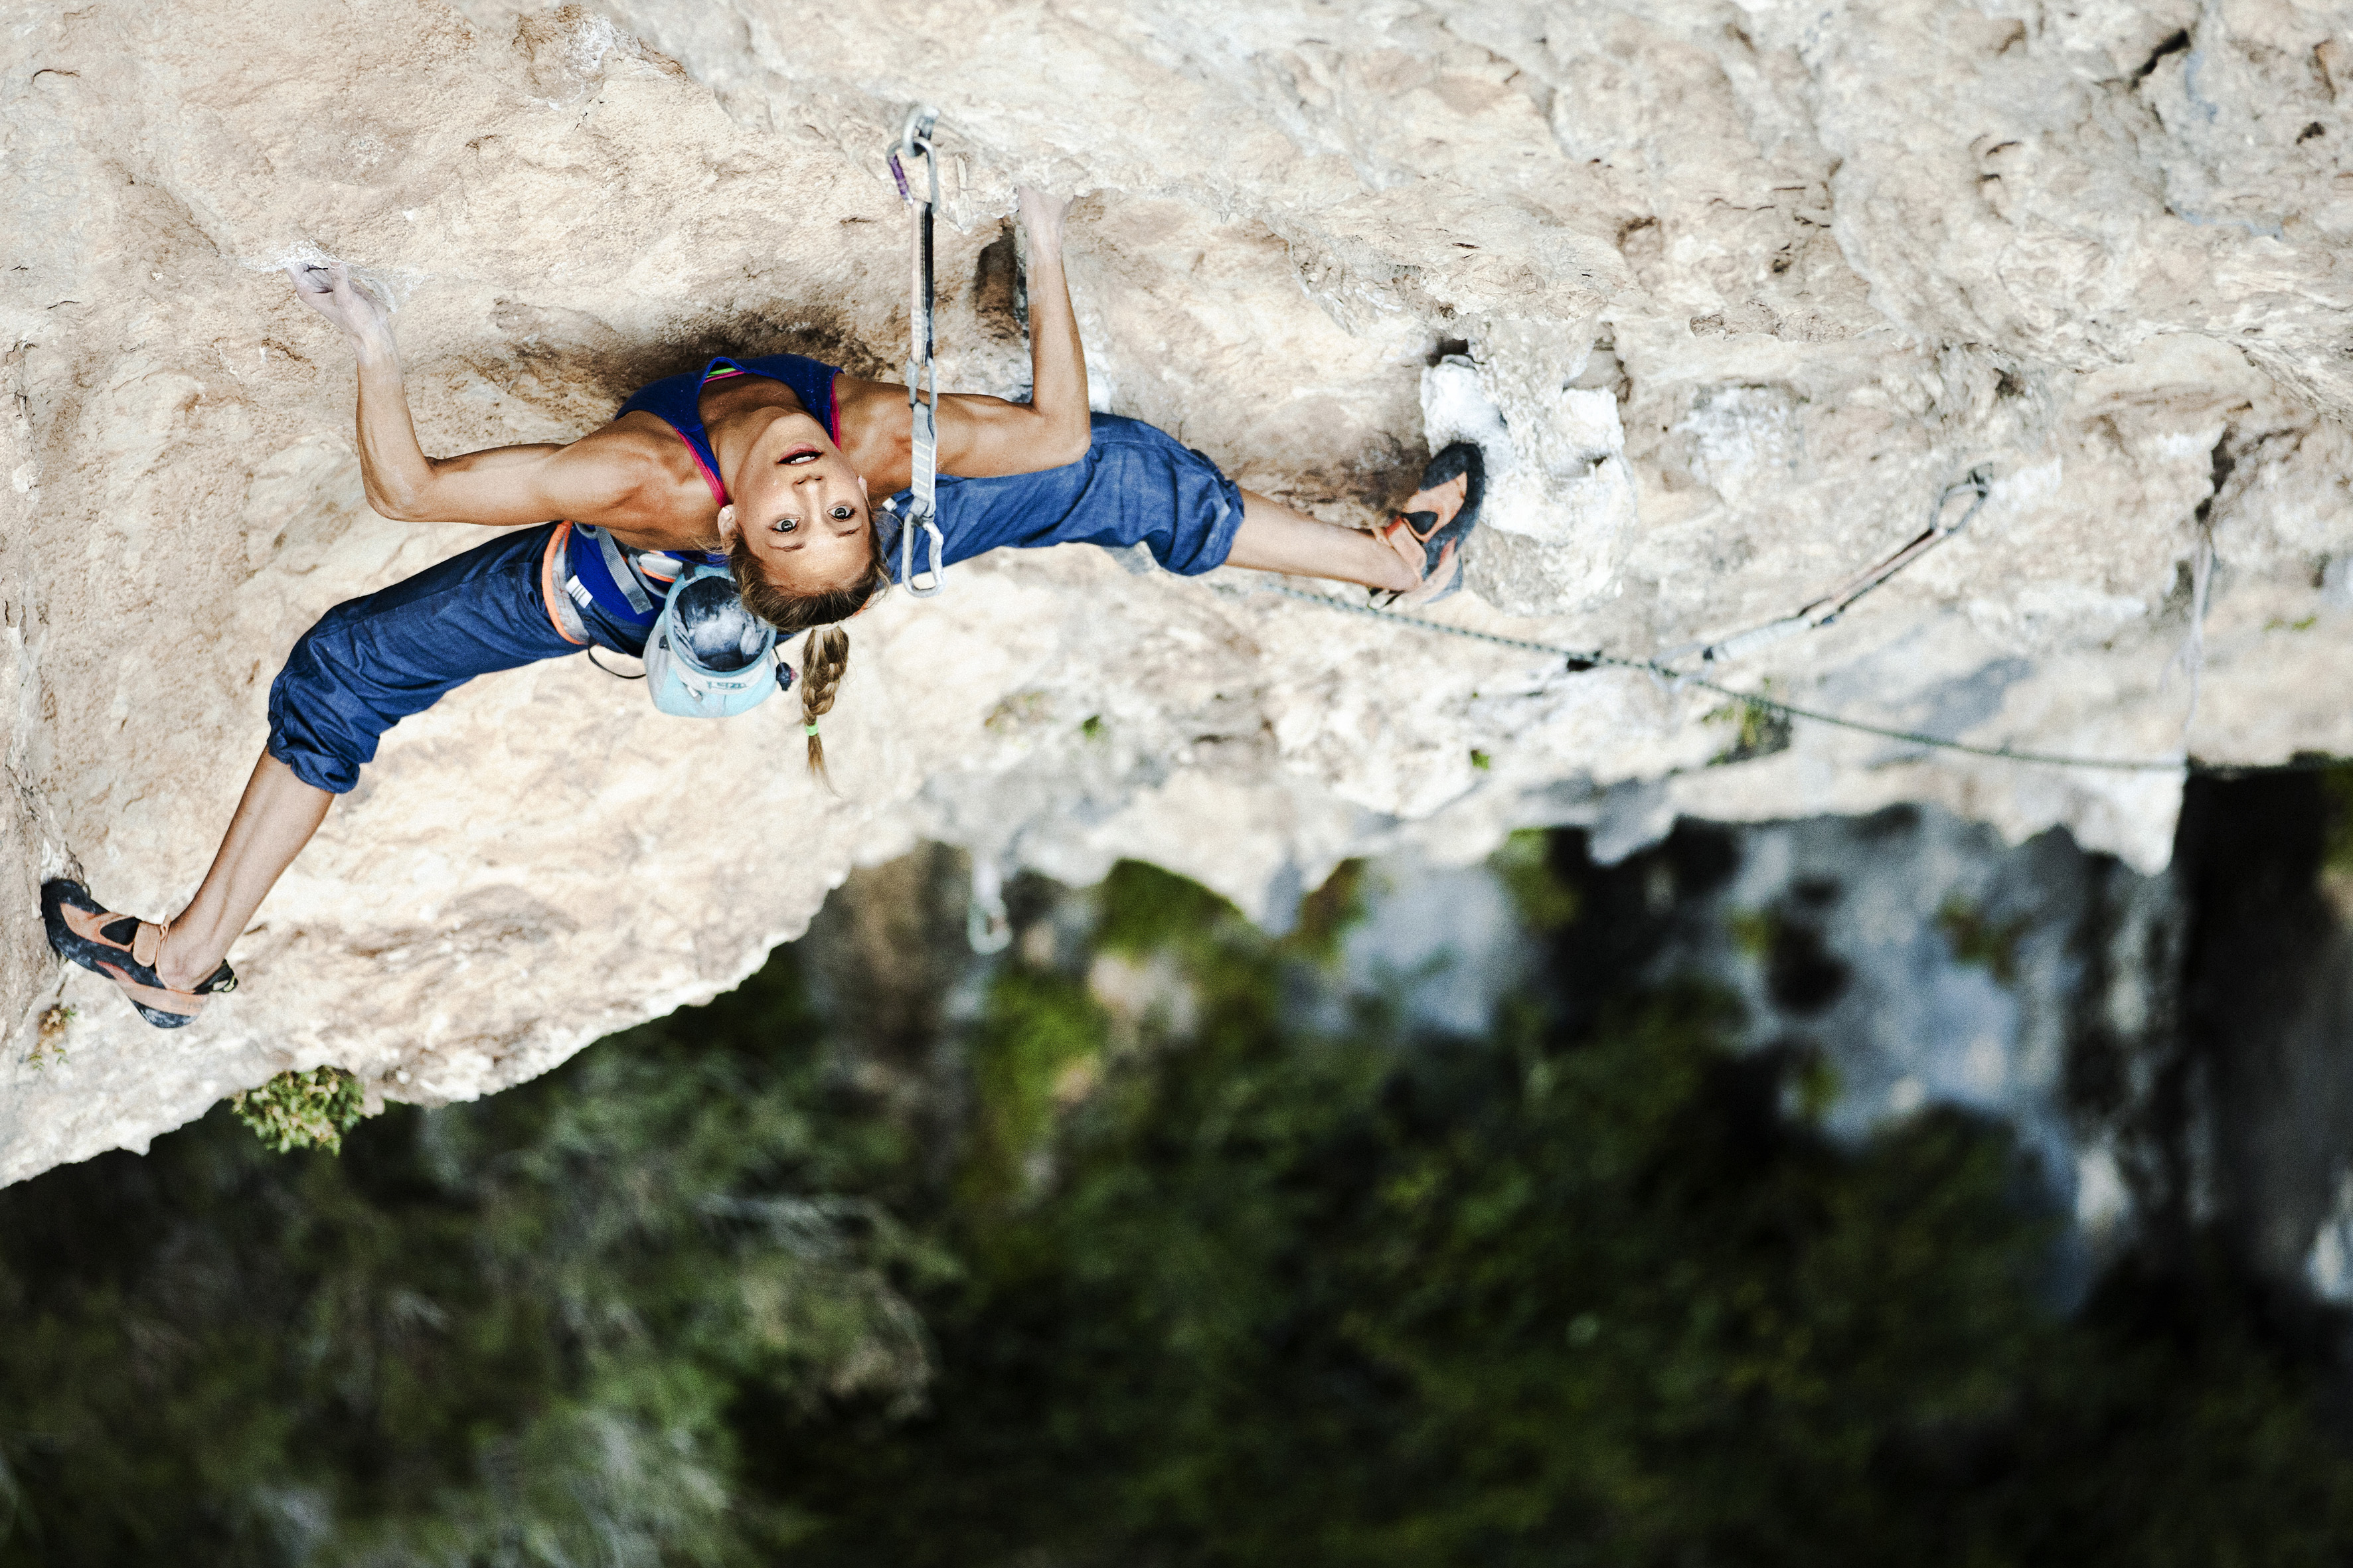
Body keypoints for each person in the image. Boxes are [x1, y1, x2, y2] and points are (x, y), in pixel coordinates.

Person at [41, 187, 1484, 1029]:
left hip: (626, 586)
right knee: (1115, 473)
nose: (808, 486)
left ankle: (1391, 565)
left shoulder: (741, 467)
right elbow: (1048, 439)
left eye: (810, 511)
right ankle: (175, 963)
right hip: (762, 563)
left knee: (341, 670)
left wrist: (367, 334)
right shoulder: (764, 460)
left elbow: (414, 490)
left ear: (768, 526)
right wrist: (1039, 233)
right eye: (820, 505)